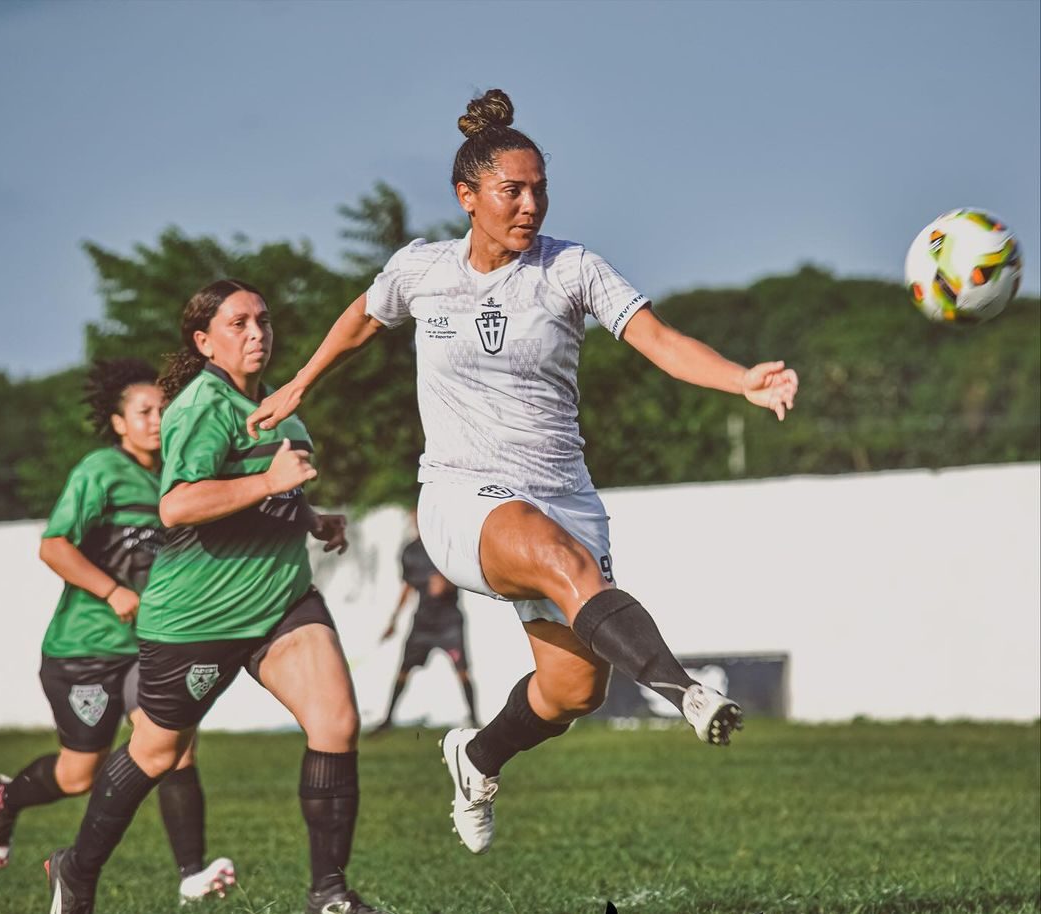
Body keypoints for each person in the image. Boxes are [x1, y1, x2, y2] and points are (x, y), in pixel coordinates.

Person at [246, 89, 799, 856]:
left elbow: (660, 339)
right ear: (467, 195)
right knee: (552, 556)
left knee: (572, 691)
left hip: (564, 496)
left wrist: (741, 380)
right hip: (460, 497)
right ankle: (688, 692)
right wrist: (301, 381)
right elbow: (365, 316)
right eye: (513, 189)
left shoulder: (572, 269)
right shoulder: (423, 269)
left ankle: (476, 758)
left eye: (540, 187)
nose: (530, 203)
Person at [44, 281, 389, 914]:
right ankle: (77, 869)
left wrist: (313, 519)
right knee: (156, 752)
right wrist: (270, 480)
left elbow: (273, 491)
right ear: (204, 342)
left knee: (336, 723)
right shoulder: (202, 404)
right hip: (199, 619)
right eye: (238, 323)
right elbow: (177, 505)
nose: (257, 332)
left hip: (282, 602)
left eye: (263, 320)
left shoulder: (280, 404)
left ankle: (329, 895)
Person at [0, 358, 234, 903]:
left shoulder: (178, 474)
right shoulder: (100, 470)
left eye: (164, 411)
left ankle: (192, 871)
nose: (156, 420)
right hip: (83, 650)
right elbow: (53, 546)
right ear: (119, 423)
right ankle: (6, 796)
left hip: (147, 647)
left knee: (174, 746)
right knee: (77, 776)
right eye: (143, 412)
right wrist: (112, 591)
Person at [371, 509, 479, 735]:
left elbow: (466, 576)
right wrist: (393, 620)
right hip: (422, 623)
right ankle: (387, 720)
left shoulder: (447, 548)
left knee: (462, 672)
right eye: (414, 520)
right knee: (403, 670)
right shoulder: (410, 552)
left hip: (449, 623)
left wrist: (447, 584)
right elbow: (407, 587)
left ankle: (475, 720)